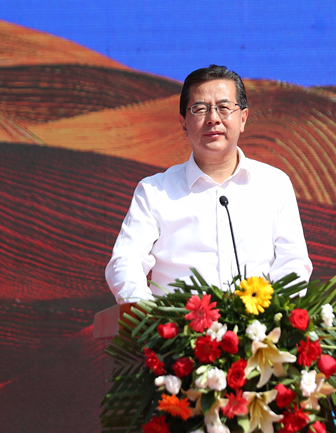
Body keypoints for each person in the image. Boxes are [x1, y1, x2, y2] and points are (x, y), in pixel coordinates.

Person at [106, 65, 312, 303]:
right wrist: (150, 316)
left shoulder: (274, 185)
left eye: (224, 108)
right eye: (200, 109)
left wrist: (272, 315)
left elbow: (293, 263)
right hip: (179, 325)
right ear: (184, 123)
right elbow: (125, 262)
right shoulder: (154, 192)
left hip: (257, 323)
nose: (213, 119)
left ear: (243, 118)